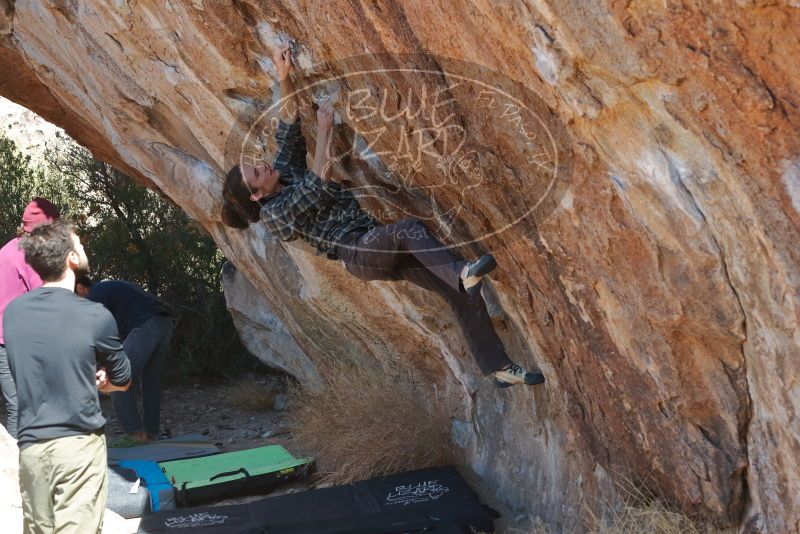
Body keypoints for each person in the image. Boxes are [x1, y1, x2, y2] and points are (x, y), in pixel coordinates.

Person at [221, 45, 544, 388]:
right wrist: (326, 130)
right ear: (257, 194)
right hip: (357, 252)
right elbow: (317, 182)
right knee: (409, 231)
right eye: (256, 172)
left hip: (371, 238)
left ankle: (499, 368)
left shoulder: (282, 171)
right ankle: (461, 274)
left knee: (458, 293)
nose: (262, 164)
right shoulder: (275, 216)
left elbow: (287, 124)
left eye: (255, 163)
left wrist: (283, 76)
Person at [3, 219, 131, 534]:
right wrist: (105, 382)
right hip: (78, 447)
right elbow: (123, 379)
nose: (84, 247)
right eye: (80, 243)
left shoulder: (14, 313)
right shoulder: (93, 315)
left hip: (31, 450)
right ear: (71, 259)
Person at [75, 276, 173, 443]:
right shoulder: (108, 288)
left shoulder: (93, 296)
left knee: (116, 381)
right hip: (164, 322)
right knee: (151, 384)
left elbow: (97, 336)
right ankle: (151, 433)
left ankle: (135, 434)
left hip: (145, 325)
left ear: (80, 288)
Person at [0, 197, 60, 438]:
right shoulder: (32, 256)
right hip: (19, 341)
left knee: (16, 405)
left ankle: (17, 466)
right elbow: (47, 301)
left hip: (3, 339)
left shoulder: (7, 249)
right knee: (29, 407)